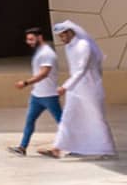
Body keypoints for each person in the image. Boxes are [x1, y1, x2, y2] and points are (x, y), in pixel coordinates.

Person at [40, 20, 117, 159]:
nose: (61, 39)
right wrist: (69, 87)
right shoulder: (69, 47)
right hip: (75, 88)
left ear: (70, 32)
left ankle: (107, 150)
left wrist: (65, 86)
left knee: (96, 118)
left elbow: (82, 70)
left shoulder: (84, 46)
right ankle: (58, 148)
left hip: (90, 88)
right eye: (60, 37)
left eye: (63, 36)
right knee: (68, 117)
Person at [8, 28, 61, 155]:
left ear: (40, 37)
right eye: (27, 39)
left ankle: (68, 147)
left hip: (49, 95)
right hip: (37, 95)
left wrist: (26, 83)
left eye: (31, 39)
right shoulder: (40, 52)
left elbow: (44, 73)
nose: (28, 42)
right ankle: (22, 147)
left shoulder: (47, 53)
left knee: (62, 122)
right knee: (29, 121)